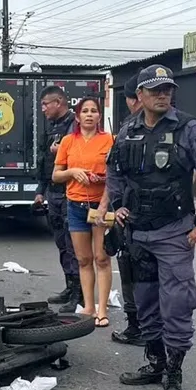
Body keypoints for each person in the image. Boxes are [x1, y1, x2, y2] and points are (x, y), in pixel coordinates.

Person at [106, 64, 196, 390]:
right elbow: (113, 170)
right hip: (137, 233)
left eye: (167, 89)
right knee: (145, 304)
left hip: (175, 233)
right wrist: (117, 205)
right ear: (138, 96)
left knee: (177, 303)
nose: (162, 94)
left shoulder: (189, 129)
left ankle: (173, 374)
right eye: (155, 90)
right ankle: (156, 363)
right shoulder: (127, 132)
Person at [53, 97, 114, 327]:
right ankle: (88, 306)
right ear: (77, 117)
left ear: (100, 116)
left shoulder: (110, 140)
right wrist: (73, 172)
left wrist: (104, 204)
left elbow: (116, 177)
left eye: (94, 111)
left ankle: (103, 309)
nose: (89, 115)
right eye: (85, 111)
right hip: (75, 205)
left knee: (102, 258)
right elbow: (56, 175)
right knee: (84, 259)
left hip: (101, 205)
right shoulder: (68, 141)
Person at [35, 85, 81, 312]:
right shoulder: (53, 127)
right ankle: (69, 287)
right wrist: (40, 190)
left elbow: (84, 158)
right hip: (53, 193)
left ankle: (79, 295)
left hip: (71, 194)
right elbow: (46, 160)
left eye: (45, 104)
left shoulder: (76, 126)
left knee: (74, 246)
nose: (43, 109)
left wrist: (62, 151)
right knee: (62, 243)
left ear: (59, 103)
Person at [111, 72, 145, 346]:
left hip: (135, 216)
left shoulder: (129, 127)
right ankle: (142, 325)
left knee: (133, 270)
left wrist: (116, 206)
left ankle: (139, 326)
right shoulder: (179, 125)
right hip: (137, 215)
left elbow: (114, 173)